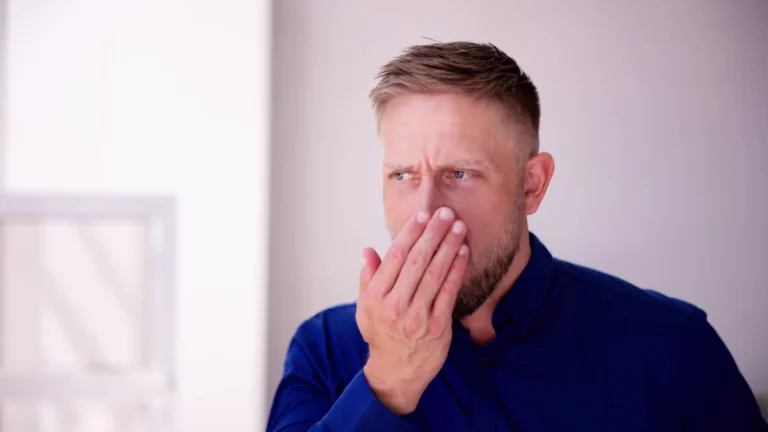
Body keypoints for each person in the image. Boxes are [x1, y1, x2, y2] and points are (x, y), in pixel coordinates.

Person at [266, 41, 767, 431]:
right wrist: (389, 382)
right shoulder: (324, 349)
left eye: (459, 173)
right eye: (403, 175)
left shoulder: (673, 347)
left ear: (532, 185)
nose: (425, 214)